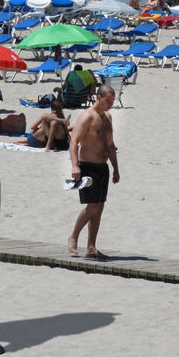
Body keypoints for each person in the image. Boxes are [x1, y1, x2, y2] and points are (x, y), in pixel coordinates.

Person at [68, 85, 119, 259]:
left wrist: (116, 169)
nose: (111, 104)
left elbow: (111, 145)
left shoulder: (108, 117)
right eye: (108, 100)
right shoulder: (87, 117)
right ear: (98, 97)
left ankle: (91, 246)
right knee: (92, 207)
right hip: (87, 166)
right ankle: (74, 236)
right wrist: (75, 166)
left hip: (102, 168)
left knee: (100, 208)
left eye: (113, 100)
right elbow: (74, 142)